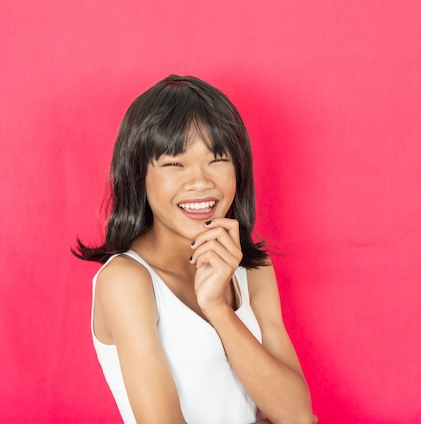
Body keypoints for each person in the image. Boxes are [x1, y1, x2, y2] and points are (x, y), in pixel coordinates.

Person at [73, 75, 315, 424]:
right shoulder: (126, 280)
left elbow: (297, 416)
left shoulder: (253, 268)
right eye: (175, 164)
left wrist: (218, 308)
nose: (200, 182)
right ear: (138, 174)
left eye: (217, 159)